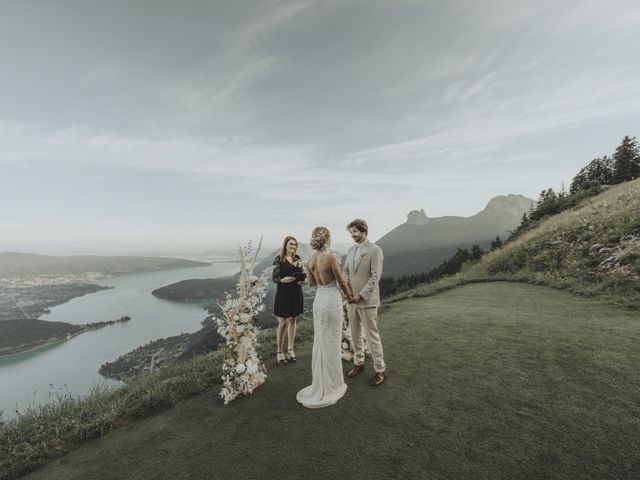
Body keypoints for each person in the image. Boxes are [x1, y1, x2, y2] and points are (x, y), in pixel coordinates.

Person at [296, 227, 352, 408]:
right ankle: (332, 385)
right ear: (328, 237)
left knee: (320, 339)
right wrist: (349, 296)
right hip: (331, 300)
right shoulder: (331, 256)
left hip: (319, 301)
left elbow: (311, 283)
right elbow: (341, 281)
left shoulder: (310, 259)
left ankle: (319, 383)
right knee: (332, 340)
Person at [344, 218, 388, 386]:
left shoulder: (375, 250)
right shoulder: (350, 250)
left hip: (367, 300)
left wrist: (360, 295)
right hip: (351, 300)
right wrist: (347, 291)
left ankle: (380, 370)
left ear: (364, 231)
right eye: (351, 232)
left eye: (355, 231)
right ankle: (359, 363)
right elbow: (346, 270)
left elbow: (375, 276)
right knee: (355, 334)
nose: (353, 235)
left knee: (372, 337)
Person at [272, 236, 305, 366]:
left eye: (295, 245)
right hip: (284, 293)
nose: (293, 246)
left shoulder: (298, 259)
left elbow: (302, 274)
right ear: (285, 245)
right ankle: (279, 351)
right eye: (291, 244)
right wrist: (281, 280)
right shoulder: (278, 259)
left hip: (296, 292)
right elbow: (274, 277)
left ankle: (290, 349)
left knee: (293, 320)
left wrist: (303, 281)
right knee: (283, 322)